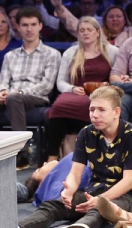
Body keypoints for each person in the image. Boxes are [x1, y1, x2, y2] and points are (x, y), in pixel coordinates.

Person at [18, 86, 132, 228]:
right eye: (92, 110)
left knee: (101, 209)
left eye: (101, 110)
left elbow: (129, 181)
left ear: (116, 112)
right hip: (94, 190)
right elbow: (75, 173)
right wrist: (69, 190)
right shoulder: (86, 134)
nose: (95, 115)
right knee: (53, 205)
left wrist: (101, 199)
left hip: (126, 196)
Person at [0, 8, 61, 136]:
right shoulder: (10, 55)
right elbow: (3, 81)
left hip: (35, 97)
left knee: (14, 98)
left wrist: (19, 92)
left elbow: (46, 86)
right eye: (25, 25)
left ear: (40, 26)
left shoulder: (52, 54)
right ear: (18, 27)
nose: (29, 29)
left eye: (33, 24)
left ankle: (20, 144)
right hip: (10, 95)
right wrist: (2, 92)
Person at [43, 16, 117, 162]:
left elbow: (117, 75)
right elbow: (60, 82)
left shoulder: (112, 51)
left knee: (90, 105)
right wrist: (72, 88)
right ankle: (52, 158)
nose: (85, 33)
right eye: (82, 30)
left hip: (100, 93)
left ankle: (94, 155)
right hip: (76, 92)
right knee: (57, 106)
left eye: (89, 30)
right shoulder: (71, 52)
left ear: (98, 32)